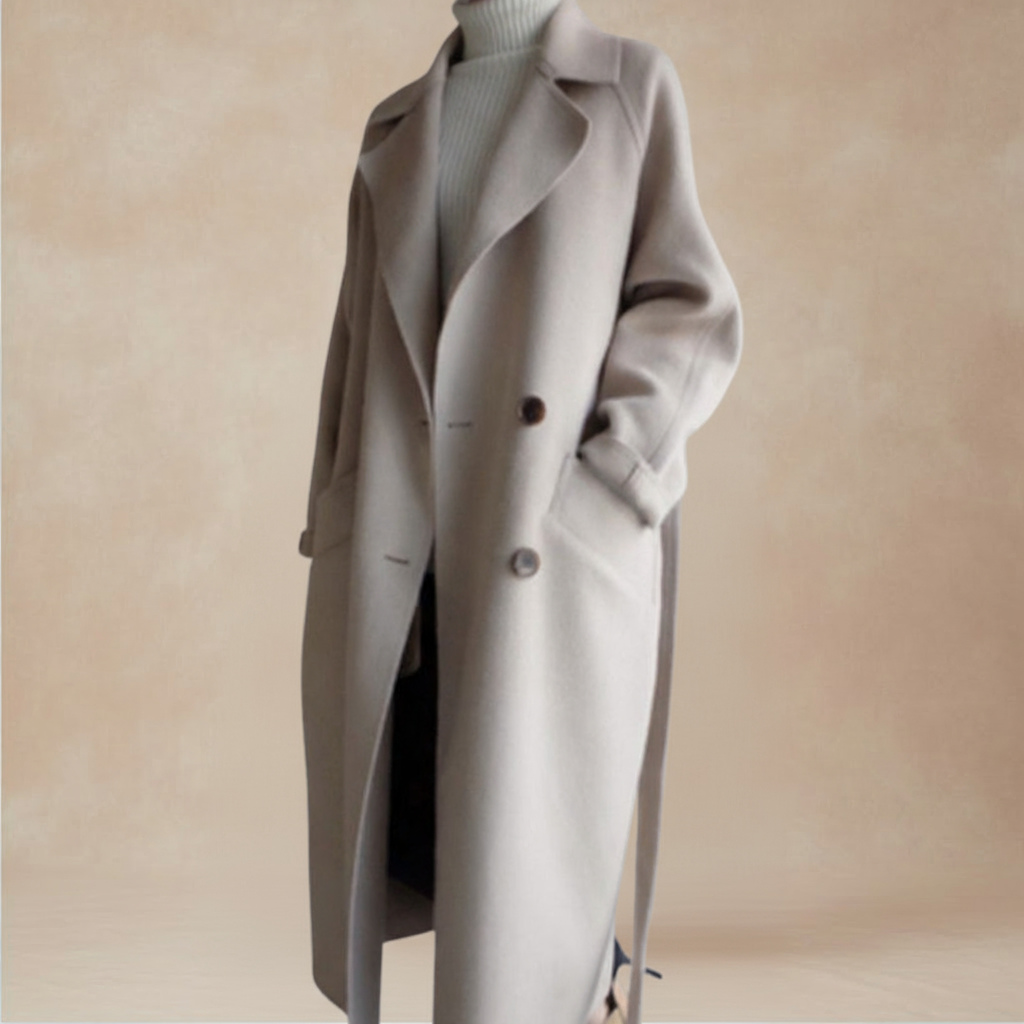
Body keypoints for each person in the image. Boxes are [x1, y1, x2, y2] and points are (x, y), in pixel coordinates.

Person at [297, 0, 743, 1021]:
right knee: (426, 816)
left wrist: (610, 475)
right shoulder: (397, 121)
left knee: (526, 843)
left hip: (538, 530)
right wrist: (336, 501)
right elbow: (355, 337)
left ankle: (588, 993)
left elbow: (691, 301)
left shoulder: (627, 84)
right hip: (403, 531)